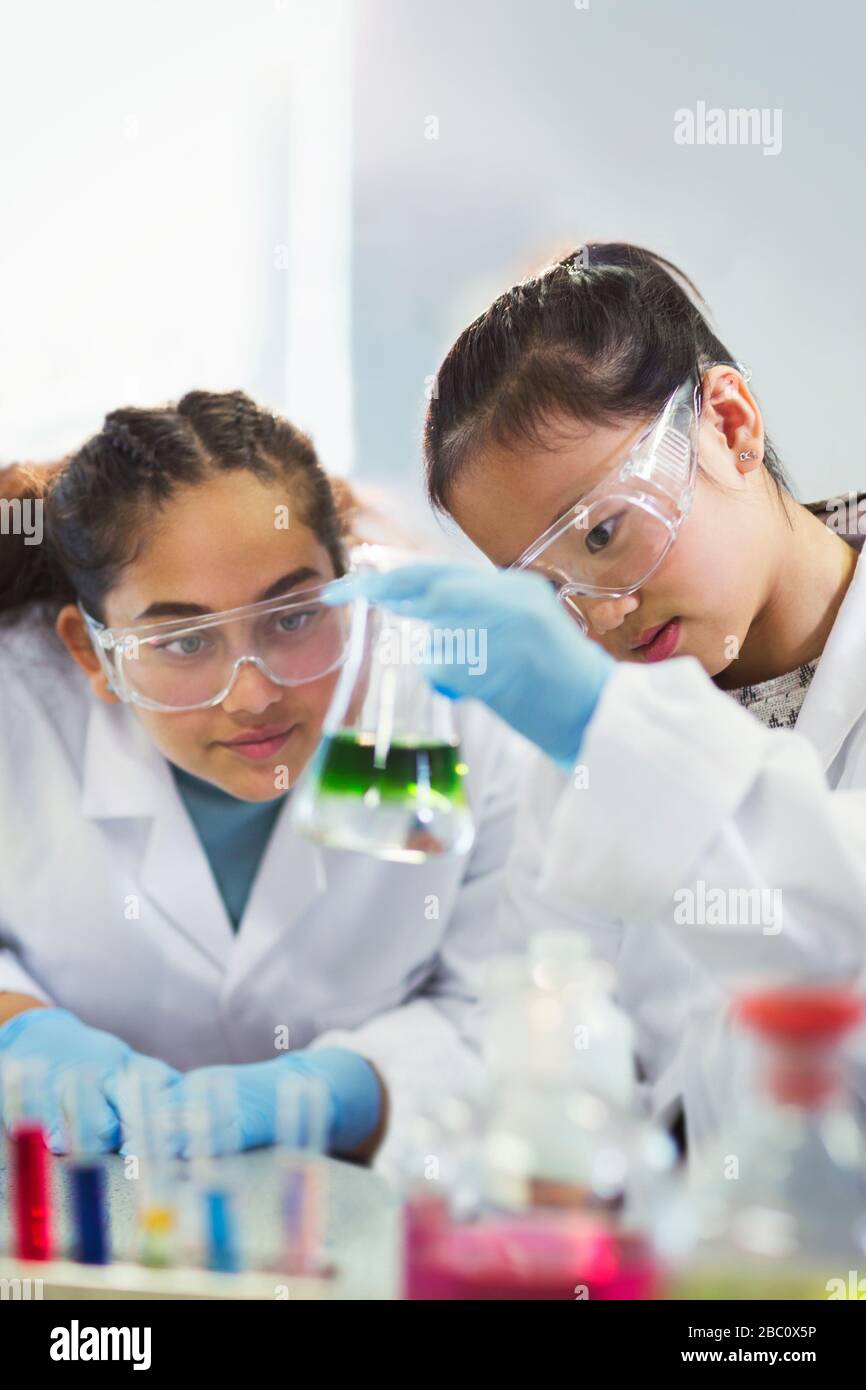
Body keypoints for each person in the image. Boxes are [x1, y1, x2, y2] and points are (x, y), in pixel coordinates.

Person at [325, 242, 866, 1148]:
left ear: (730, 426)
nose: (600, 612)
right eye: (543, 588)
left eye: (605, 532)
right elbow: (547, 1062)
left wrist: (607, 730)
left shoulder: (607, 727)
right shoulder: (583, 757)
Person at [0, 390, 526, 1163]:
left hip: (360, 1216)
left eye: (292, 618)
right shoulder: (18, 707)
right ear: (92, 653)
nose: (254, 695)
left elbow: (517, 1009)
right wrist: (22, 1030)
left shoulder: (445, 691)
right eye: (184, 643)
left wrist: (351, 1090)